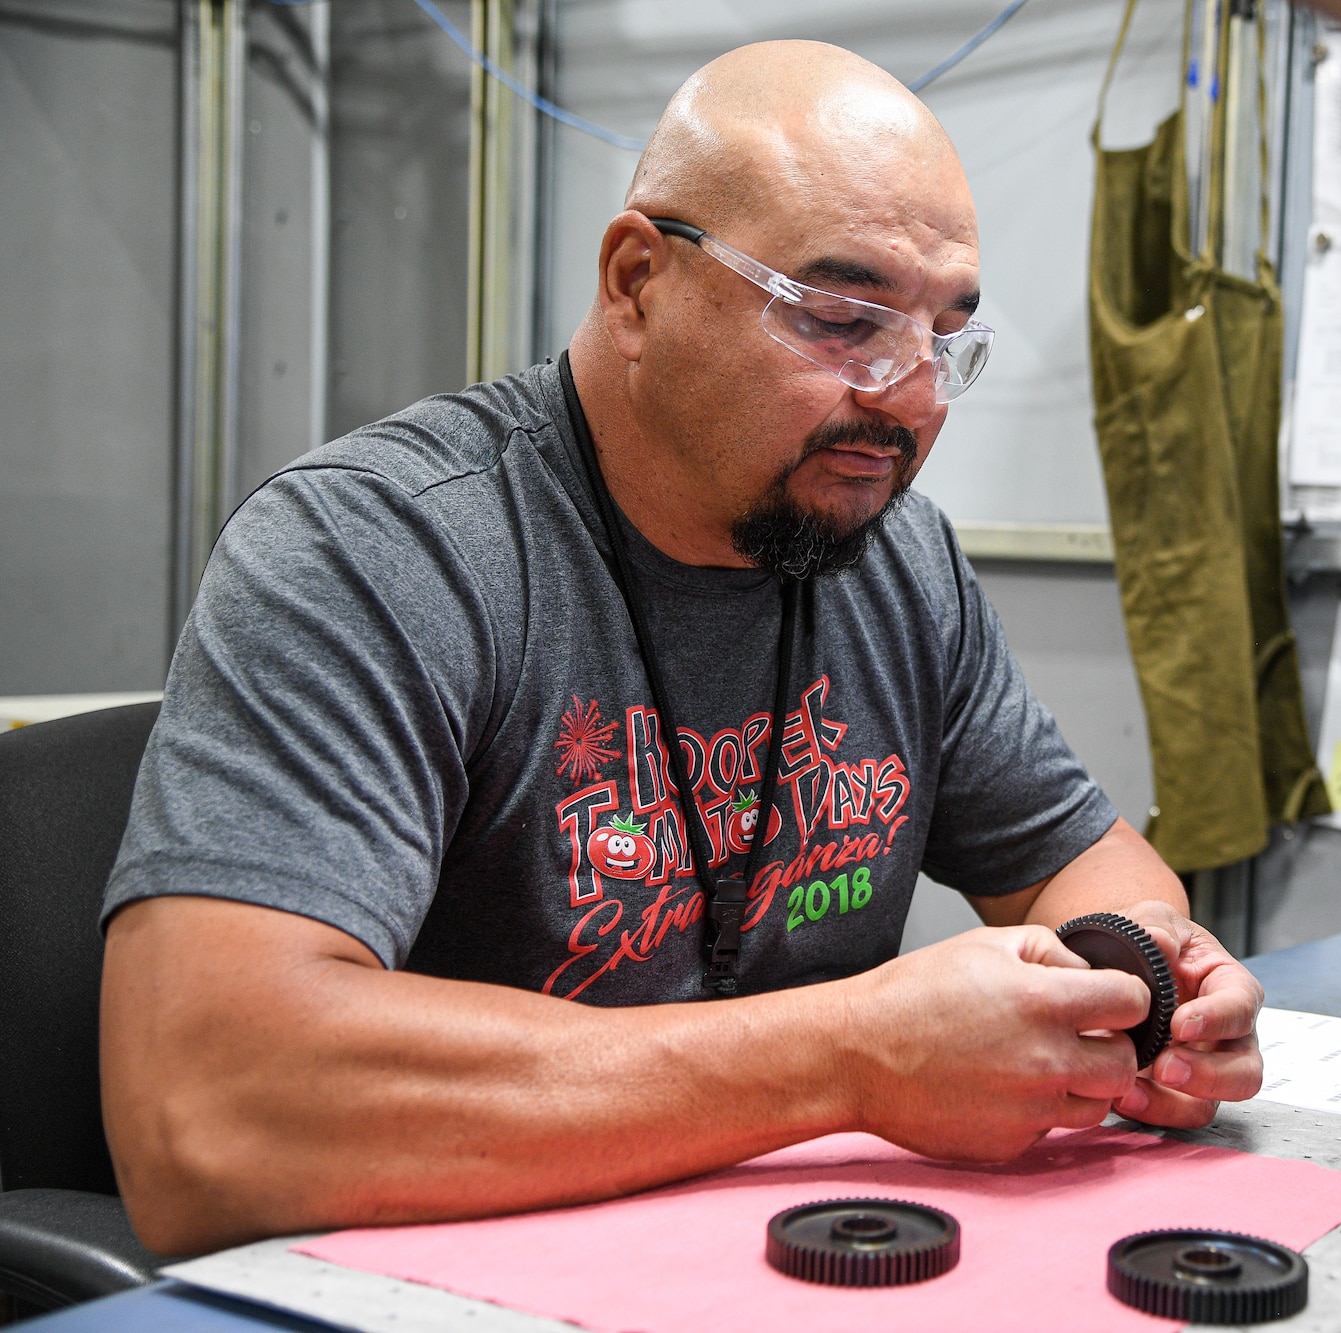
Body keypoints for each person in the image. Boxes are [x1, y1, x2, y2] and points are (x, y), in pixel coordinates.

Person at [99, 40, 1263, 1257]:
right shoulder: (383, 550)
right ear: (637, 280)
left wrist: (1146, 987)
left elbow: (1090, 865)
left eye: (944, 338)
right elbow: (209, 1113)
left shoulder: (892, 560)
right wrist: (851, 1058)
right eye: (841, 318)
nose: (909, 396)